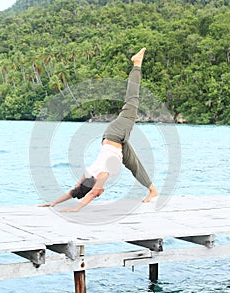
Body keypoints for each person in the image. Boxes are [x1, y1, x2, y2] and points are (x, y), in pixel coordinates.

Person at [39, 47, 158, 212]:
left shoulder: (101, 175)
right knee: (133, 164)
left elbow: (93, 192)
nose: (101, 193)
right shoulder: (87, 174)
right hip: (114, 140)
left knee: (132, 101)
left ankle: (136, 63)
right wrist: (53, 203)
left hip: (116, 135)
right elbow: (74, 191)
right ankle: (152, 189)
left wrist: (78, 208)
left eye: (99, 193)